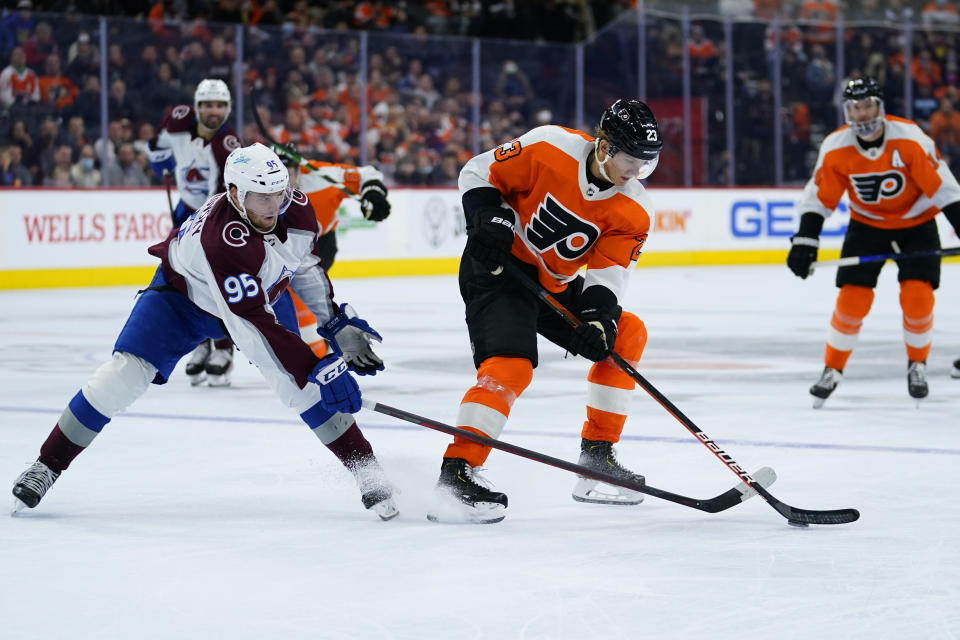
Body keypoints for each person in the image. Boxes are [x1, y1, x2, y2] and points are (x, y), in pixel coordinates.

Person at [11, 143, 398, 522]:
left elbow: (304, 265)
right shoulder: (221, 240)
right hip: (182, 300)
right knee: (120, 377)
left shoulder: (295, 206)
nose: (274, 206)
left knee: (304, 389)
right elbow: (252, 330)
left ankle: (369, 472)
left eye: (279, 194)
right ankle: (47, 464)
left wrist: (332, 322)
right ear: (234, 194)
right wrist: (314, 365)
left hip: (258, 297)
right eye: (262, 198)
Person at [429, 99, 661, 523]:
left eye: (646, 164)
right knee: (511, 367)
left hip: (553, 285)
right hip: (498, 269)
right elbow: (479, 171)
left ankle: (596, 459)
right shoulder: (549, 146)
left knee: (626, 335)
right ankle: (458, 472)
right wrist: (486, 219)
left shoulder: (634, 209)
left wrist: (597, 320)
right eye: (631, 161)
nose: (635, 173)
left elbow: (607, 275)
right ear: (605, 148)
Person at [787, 77, 960, 407]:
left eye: (867, 105)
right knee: (852, 300)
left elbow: (944, 190)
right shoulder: (837, 146)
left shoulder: (909, 138)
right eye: (854, 107)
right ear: (846, 112)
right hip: (867, 226)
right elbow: (819, 198)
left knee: (917, 297)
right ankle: (832, 369)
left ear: (880, 106)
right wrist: (806, 239)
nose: (862, 114)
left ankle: (917, 365)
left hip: (917, 224)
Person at [147, 78, 242, 387]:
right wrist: (158, 158)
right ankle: (200, 344)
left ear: (227, 108)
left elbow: (228, 191)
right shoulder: (178, 126)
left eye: (219, 105)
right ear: (197, 106)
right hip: (185, 210)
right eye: (207, 105)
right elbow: (156, 145)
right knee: (181, 279)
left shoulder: (229, 143)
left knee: (214, 282)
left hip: (215, 217)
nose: (213, 111)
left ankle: (224, 349)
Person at [272, 143, 391, 358]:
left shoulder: (322, 176)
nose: (282, 182)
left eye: (287, 172)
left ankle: (315, 353)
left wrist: (372, 192)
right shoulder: (260, 187)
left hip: (321, 245)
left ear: (299, 171)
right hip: (281, 246)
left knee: (302, 294)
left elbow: (367, 174)